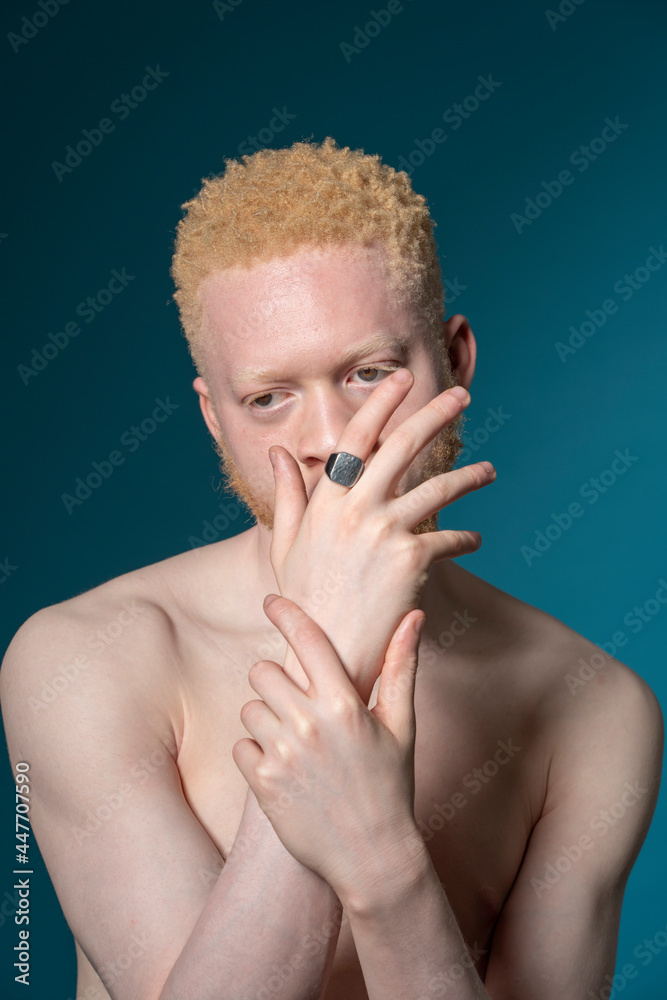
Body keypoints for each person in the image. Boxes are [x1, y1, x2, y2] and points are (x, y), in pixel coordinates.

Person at [1, 136, 663, 1000]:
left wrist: (383, 868)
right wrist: (332, 669)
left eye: (370, 373)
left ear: (454, 359)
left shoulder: (592, 707)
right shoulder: (83, 658)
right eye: (268, 397)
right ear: (212, 416)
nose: (326, 442)